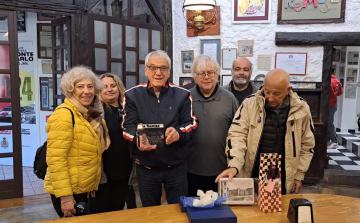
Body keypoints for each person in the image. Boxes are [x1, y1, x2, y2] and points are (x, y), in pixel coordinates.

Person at [216, 69, 315, 194]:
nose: (270, 98)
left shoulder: (301, 109)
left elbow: (307, 145)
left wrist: (299, 175)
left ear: (288, 90)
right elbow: (236, 135)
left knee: (276, 211)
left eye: (277, 94)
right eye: (267, 92)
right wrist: (234, 165)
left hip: (284, 175)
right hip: (252, 173)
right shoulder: (249, 104)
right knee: (248, 212)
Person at [122, 50, 198, 207]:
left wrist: (179, 133)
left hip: (176, 168)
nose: (158, 72)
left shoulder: (182, 95)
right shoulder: (132, 95)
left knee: (179, 211)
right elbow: (126, 127)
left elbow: (191, 123)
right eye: (153, 67)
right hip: (147, 168)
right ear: (146, 70)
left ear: (169, 71)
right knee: (150, 212)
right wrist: (137, 139)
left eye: (163, 68)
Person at [45, 66, 110, 217]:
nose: (86, 91)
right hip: (70, 192)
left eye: (90, 86)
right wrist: (66, 197)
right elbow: (56, 159)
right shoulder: (64, 115)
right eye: (80, 86)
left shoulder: (89, 114)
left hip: (84, 188)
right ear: (70, 90)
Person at [187, 55, 238, 196]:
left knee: (220, 213)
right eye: (201, 73)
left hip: (222, 171)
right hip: (191, 170)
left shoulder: (229, 99)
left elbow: (238, 133)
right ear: (195, 77)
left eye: (211, 72)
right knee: (194, 211)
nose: (206, 77)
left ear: (217, 75)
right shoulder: (186, 98)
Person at [90, 73, 136, 213]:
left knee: (117, 208)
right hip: (105, 172)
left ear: (119, 87)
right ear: (99, 90)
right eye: (105, 87)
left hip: (125, 170)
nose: (109, 89)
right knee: (102, 212)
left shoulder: (128, 109)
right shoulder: (96, 113)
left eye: (113, 85)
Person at [328, 72, 343, 148]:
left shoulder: (328, 81)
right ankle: (328, 140)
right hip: (333, 105)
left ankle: (334, 141)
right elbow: (340, 93)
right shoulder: (337, 81)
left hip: (328, 105)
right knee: (329, 123)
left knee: (329, 123)